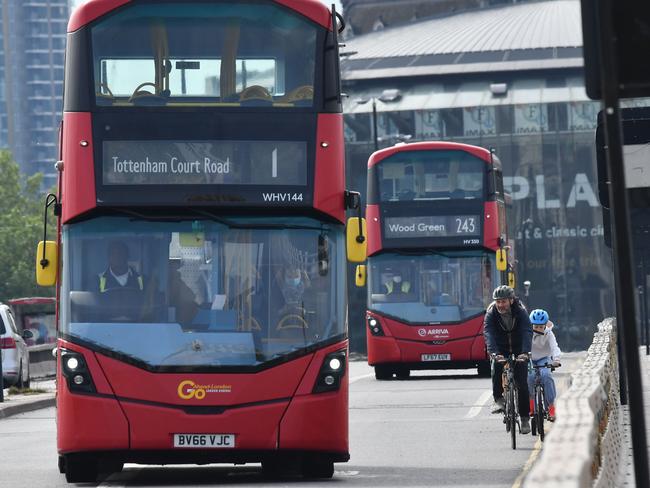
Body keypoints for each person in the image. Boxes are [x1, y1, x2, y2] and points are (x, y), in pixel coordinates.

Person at [483, 285, 533, 435]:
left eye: (503, 301)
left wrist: (524, 352)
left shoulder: (521, 311)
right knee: (496, 368)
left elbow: (526, 330)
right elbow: (489, 332)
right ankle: (498, 399)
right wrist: (494, 353)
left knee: (522, 384)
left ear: (511, 300)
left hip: (518, 348)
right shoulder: (491, 313)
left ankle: (524, 418)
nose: (500, 305)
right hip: (501, 347)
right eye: (498, 301)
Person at [527, 309, 562, 421]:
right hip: (529, 358)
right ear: (531, 325)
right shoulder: (526, 333)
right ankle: (531, 404)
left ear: (545, 325)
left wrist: (556, 359)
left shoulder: (549, 333)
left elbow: (554, 347)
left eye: (541, 327)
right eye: (535, 327)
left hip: (544, 358)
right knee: (530, 377)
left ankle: (551, 406)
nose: (538, 329)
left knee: (546, 375)